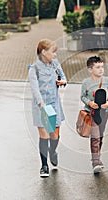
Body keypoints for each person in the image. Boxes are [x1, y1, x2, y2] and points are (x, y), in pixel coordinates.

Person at [28, 39, 67, 177]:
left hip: (55, 104)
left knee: (54, 135)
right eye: (53, 52)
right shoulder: (34, 69)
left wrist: (63, 81)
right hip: (41, 107)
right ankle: (44, 166)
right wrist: (41, 104)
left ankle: (53, 152)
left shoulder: (55, 64)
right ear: (44, 52)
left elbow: (63, 77)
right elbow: (35, 89)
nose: (55, 55)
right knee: (44, 136)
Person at [80, 56, 108, 174]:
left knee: (100, 136)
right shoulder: (86, 82)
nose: (101, 70)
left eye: (102, 67)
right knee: (94, 137)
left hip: (104, 113)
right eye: (98, 67)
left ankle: (97, 158)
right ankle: (95, 162)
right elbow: (82, 96)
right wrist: (89, 102)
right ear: (90, 69)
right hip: (91, 114)